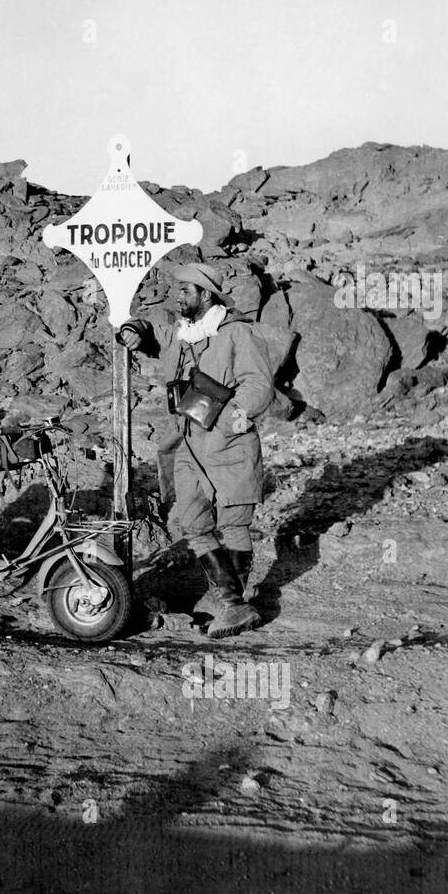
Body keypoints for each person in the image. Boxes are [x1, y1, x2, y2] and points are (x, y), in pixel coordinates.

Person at [117, 263, 274, 638]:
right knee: (192, 520)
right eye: (177, 290)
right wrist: (132, 331)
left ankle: (230, 602)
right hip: (186, 442)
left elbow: (258, 383)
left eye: (186, 290)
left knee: (234, 522)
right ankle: (232, 601)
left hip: (227, 441)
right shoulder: (179, 332)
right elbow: (149, 330)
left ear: (206, 295)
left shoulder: (237, 333)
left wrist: (235, 417)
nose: (178, 296)